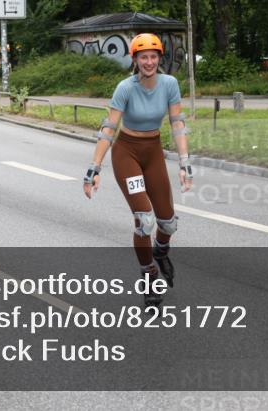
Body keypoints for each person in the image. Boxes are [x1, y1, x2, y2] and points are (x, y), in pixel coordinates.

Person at [83, 33, 193, 307]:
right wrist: (94, 168)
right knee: (145, 220)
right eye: (143, 57)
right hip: (127, 153)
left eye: (153, 56)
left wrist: (184, 163)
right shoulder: (126, 88)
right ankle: (149, 274)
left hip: (153, 152)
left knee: (168, 222)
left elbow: (177, 123)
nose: (149, 61)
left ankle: (161, 250)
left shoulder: (169, 84)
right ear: (135, 59)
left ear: (159, 58)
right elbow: (109, 129)